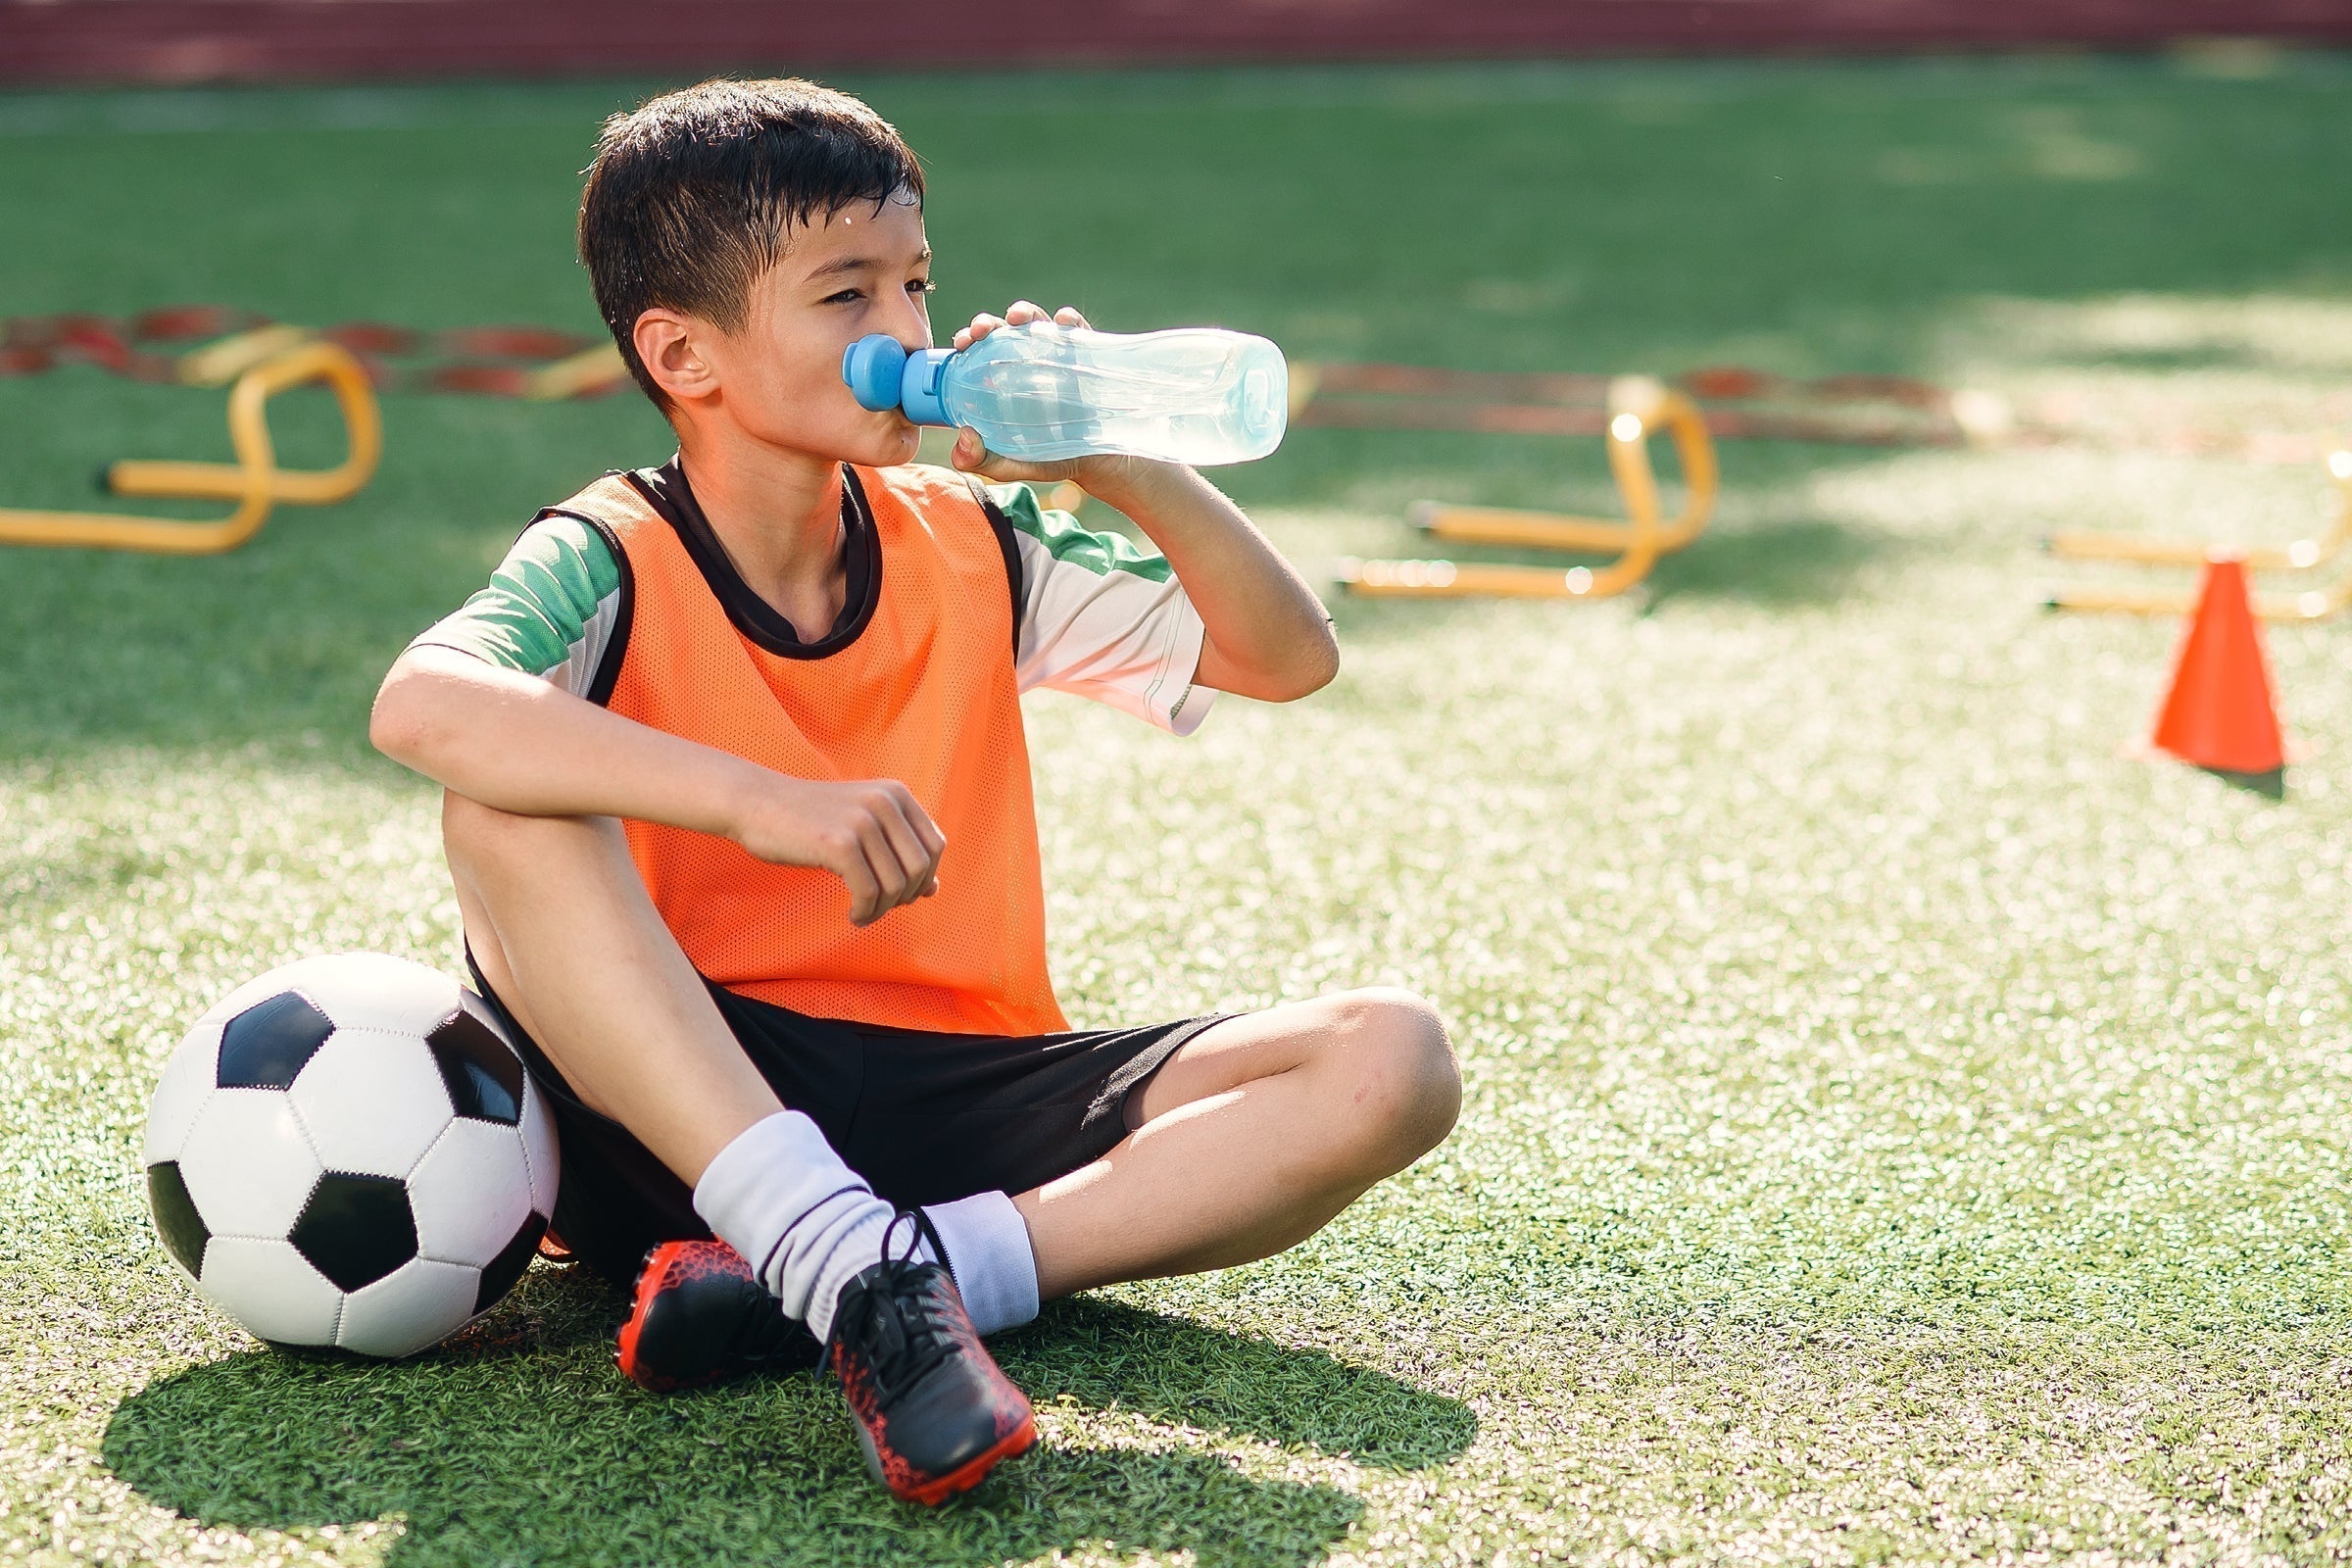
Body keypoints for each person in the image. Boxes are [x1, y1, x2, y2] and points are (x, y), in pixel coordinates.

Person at [369, 76, 1459, 1505]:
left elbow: (1286, 655)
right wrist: (760, 799)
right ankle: (819, 1236)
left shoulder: (973, 537)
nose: (905, 332)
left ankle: (893, 1273)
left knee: (1392, 1061)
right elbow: (423, 703)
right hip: (689, 1103)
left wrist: (1122, 466)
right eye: (845, 295)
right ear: (685, 354)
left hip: (951, 1093)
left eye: (916, 282)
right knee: (500, 798)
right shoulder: (612, 551)